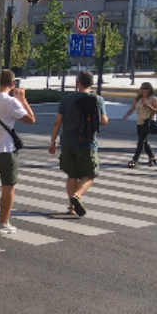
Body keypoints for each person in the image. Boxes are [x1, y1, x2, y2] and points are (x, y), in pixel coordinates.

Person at [48, 71, 108, 217]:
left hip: (68, 142)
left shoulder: (66, 99)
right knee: (91, 174)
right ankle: (77, 195)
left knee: (72, 175)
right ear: (92, 83)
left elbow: (57, 122)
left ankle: (71, 207)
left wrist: (53, 142)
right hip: (87, 143)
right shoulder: (97, 99)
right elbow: (104, 121)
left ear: (77, 83)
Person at [0, 70, 36, 234]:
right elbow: (31, 119)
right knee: (8, 186)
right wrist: (23, 99)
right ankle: (3, 222)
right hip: (5, 149)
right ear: (12, 85)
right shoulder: (10, 101)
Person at [122, 81, 157, 168]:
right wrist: (126, 115)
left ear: (150, 89)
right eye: (142, 88)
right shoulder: (138, 98)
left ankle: (134, 160)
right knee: (144, 142)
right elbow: (132, 108)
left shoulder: (153, 98)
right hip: (139, 123)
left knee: (140, 142)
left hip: (148, 122)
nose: (144, 90)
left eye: (146, 88)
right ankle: (152, 157)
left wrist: (148, 106)